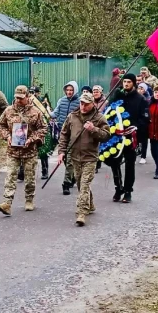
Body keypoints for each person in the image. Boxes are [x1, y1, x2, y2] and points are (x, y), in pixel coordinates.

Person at [57, 93, 111, 226]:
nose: (83, 106)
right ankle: (90, 205)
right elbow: (64, 135)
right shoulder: (72, 116)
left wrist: (94, 129)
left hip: (90, 157)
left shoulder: (98, 118)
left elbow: (106, 135)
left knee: (85, 184)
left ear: (92, 104)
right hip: (75, 156)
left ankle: (81, 211)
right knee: (81, 183)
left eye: (86, 104)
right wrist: (61, 151)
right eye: (81, 103)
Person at [0, 86, 47, 215]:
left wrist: (32, 139)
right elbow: (0, 125)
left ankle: (29, 199)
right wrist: (7, 136)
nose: (18, 100)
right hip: (12, 150)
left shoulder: (35, 112)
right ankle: (7, 203)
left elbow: (43, 128)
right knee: (10, 176)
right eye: (16, 97)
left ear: (27, 97)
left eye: (21, 98)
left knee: (29, 177)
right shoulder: (8, 111)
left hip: (29, 151)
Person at [108, 73, 149, 203]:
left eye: (129, 82)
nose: (126, 84)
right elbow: (109, 112)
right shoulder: (117, 95)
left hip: (131, 137)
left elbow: (145, 119)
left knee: (130, 164)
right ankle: (118, 188)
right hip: (116, 136)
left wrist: (136, 127)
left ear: (133, 83)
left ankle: (127, 191)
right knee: (114, 162)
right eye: (124, 82)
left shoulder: (140, 99)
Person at [50, 81, 81, 195]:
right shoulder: (61, 100)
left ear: (75, 91)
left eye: (71, 90)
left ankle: (66, 184)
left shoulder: (79, 102)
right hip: (62, 133)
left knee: (70, 160)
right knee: (65, 158)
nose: (69, 92)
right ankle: (72, 176)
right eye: (67, 90)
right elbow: (56, 113)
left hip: (74, 134)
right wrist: (48, 114)